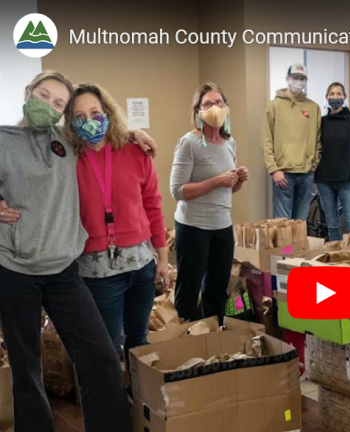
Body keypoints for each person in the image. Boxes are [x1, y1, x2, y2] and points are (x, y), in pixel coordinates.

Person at [0, 71, 156, 432]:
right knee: (27, 369)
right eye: (43, 95)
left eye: (58, 103)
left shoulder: (67, 140)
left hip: (63, 272)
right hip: (14, 271)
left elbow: (105, 134)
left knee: (101, 357)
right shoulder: (3, 140)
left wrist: (135, 133)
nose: (49, 106)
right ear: (28, 93)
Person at [64, 83, 169, 366]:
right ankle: (113, 406)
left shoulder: (135, 152)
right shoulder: (67, 160)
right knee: (107, 349)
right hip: (98, 273)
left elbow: (153, 206)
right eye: (80, 116)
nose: (89, 121)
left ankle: (143, 404)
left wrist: (162, 258)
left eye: (95, 112)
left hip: (141, 267)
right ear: (70, 123)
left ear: (107, 112)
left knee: (139, 342)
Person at [170, 83, 249, 325]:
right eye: (207, 104)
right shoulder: (189, 143)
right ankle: (184, 338)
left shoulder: (229, 142)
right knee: (189, 288)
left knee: (217, 287)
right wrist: (216, 180)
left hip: (222, 226)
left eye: (219, 102)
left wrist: (238, 180)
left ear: (227, 107)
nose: (214, 107)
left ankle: (213, 337)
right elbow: (177, 190)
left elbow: (228, 190)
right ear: (198, 111)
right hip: (193, 226)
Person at [262, 63, 322, 220]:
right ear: (287, 79)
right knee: (283, 224)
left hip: (306, 173)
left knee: (300, 223)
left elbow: (318, 141)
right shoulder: (274, 105)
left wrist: (313, 165)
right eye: (295, 77)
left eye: (302, 78)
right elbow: (267, 139)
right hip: (283, 174)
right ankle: (286, 247)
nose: (298, 81)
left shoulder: (313, 107)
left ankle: (296, 247)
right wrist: (274, 169)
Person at [315, 82, 350, 240]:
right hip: (324, 180)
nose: (335, 97)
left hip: (347, 180)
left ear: (345, 97)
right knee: (332, 227)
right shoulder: (321, 122)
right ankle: (335, 260)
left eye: (339, 94)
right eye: (332, 94)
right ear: (326, 97)